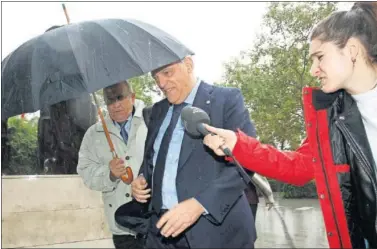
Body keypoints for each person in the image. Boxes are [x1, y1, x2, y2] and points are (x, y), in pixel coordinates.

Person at [202, 2, 377, 248]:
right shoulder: (331, 118)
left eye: (320, 57)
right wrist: (237, 145)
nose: (314, 70)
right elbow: (299, 167)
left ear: (352, 50)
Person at [131, 56, 258, 248]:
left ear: (189, 65)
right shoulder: (155, 111)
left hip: (216, 234)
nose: (161, 84)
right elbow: (151, 159)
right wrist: (141, 179)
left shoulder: (226, 100)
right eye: (155, 78)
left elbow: (246, 162)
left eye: (167, 73)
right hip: (161, 234)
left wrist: (200, 204)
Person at [77, 81, 148, 249]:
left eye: (120, 97)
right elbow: (86, 172)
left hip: (154, 220)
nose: (116, 105)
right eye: (110, 100)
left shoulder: (152, 121)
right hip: (121, 226)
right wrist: (109, 174)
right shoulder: (93, 134)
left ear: (132, 96)